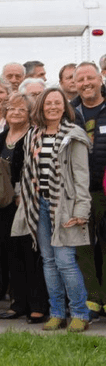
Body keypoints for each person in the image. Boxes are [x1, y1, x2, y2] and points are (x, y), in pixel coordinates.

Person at [12, 87, 91, 332]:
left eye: (58, 103)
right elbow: (27, 171)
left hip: (65, 207)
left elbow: (81, 176)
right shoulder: (33, 135)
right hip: (39, 205)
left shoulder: (73, 135)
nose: (53, 107)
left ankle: (79, 312)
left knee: (66, 261)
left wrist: (81, 210)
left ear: (64, 107)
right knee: (48, 261)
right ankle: (56, 312)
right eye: (48, 103)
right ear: (41, 107)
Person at [0, 93, 48, 323]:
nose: (15, 113)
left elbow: (34, 168)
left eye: (21, 109)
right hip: (3, 205)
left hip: (27, 202)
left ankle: (37, 305)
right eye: (11, 108)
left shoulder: (34, 136)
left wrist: (21, 194)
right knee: (11, 254)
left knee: (31, 254)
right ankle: (18, 303)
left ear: (30, 114)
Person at [71, 62, 106, 318]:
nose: (86, 83)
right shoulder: (70, 113)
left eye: (90, 78)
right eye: (80, 79)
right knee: (83, 248)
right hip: (79, 192)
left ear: (99, 78)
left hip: (105, 191)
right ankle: (93, 299)